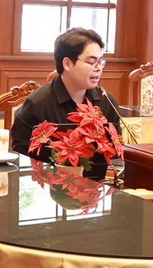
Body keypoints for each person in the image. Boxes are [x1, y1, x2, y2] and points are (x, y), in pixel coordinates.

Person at [10, 27, 122, 167]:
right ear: (67, 64)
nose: (99, 68)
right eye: (91, 62)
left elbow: (116, 156)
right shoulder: (37, 104)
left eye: (101, 62)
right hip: (46, 179)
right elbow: (20, 158)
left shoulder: (107, 102)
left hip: (99, 180)